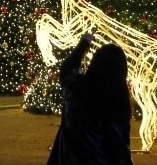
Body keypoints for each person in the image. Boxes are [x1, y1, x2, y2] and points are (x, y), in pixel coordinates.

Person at [47, 34, 133, 165]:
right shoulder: (115, 102)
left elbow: (67, 68)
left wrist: (84, 43)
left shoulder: (74, 89)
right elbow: (119, 149)